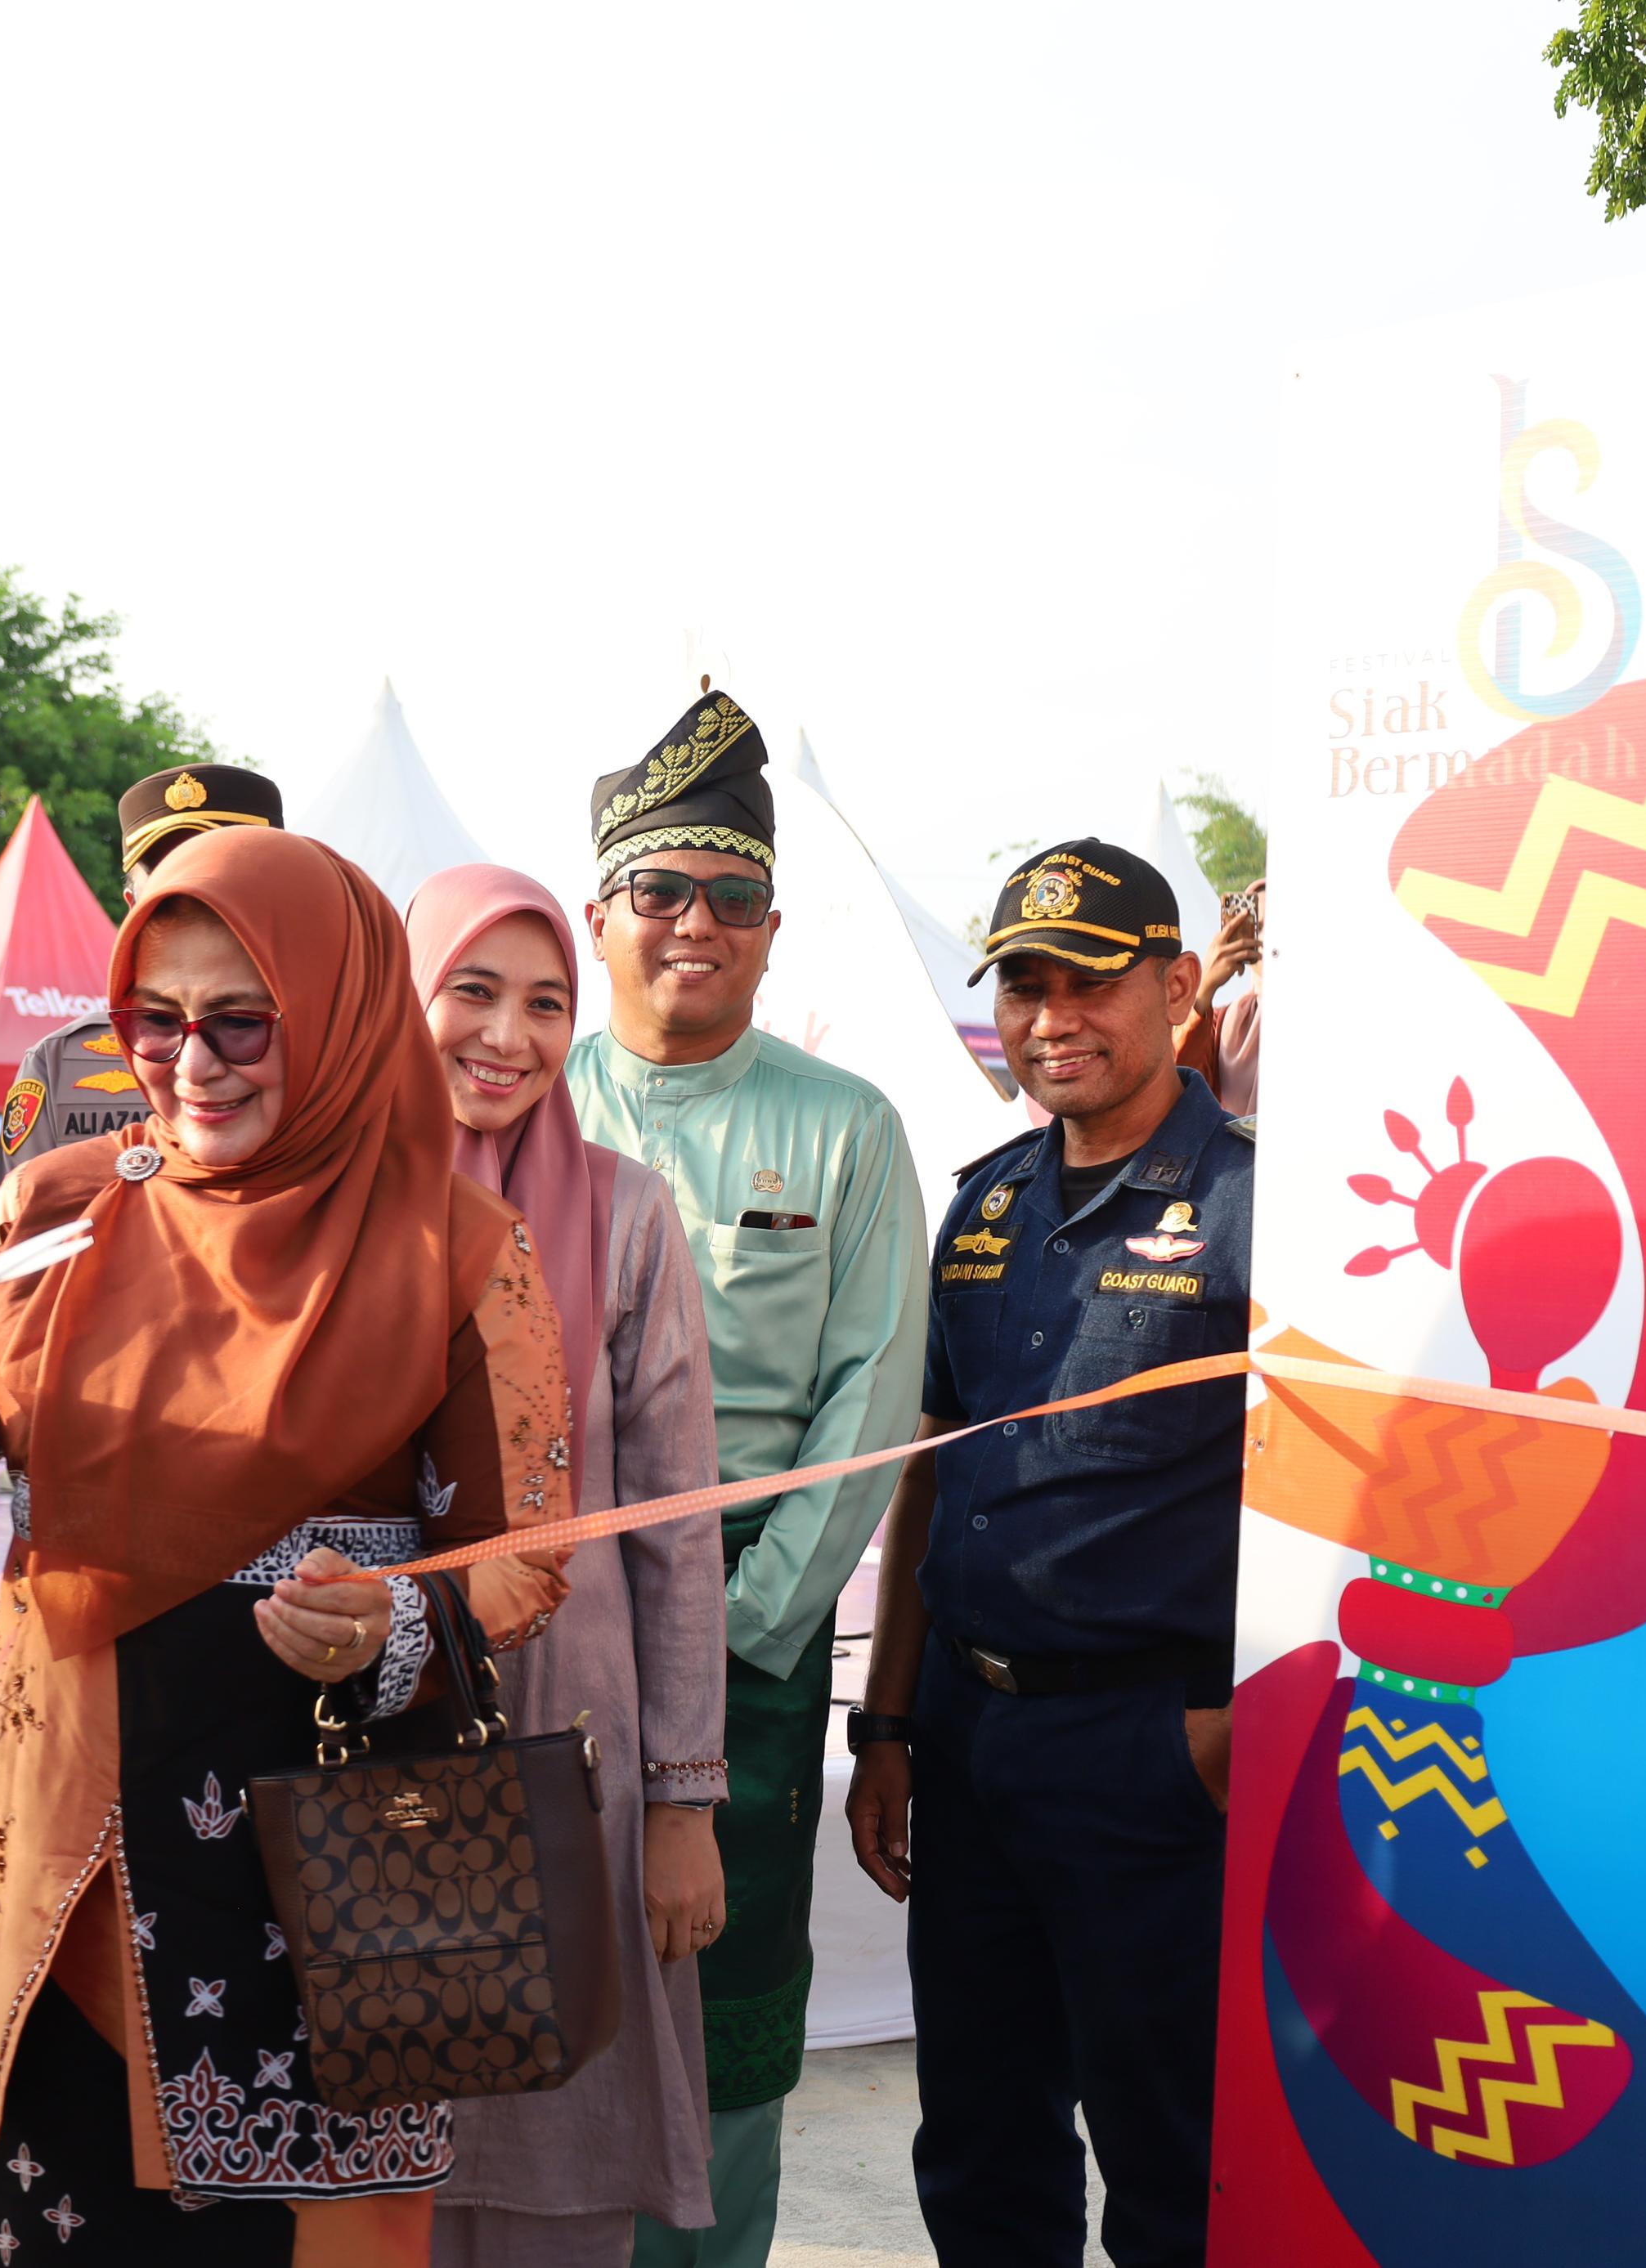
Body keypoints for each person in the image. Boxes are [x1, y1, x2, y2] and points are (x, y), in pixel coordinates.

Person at [0, 826, 573, 2268]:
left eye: (242, 1019)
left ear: (339, 1014)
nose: (194, 1062)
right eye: (157, 1022)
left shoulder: (459, 1244)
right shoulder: (64, 1212)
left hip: (323, 1881)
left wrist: (391, 1630)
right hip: (66, 1861)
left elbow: (523, 1554)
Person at [842, 839, 1249, 2268]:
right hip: (967, 1732)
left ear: (1180, 984)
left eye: (1092, 981)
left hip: (1152, 1748)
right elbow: (930, 1487)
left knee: (1171, 2153)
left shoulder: (1263, 1206)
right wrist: (888, 1719)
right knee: (980, 2135)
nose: (1052, 1015)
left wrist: (1219, 1724)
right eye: (1025, 981)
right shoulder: (988, 1201)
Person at [563, 689, 929, 2267]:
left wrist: (736, 1627)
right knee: (535, 2007)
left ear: (773, 927)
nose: (692, 923)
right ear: (600, 914)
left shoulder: (847, 1126)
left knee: (727, 2026)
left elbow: (874, 1402)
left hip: (751, 1644)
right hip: (537, 1639)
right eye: (660, 889)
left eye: (730, 896)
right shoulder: (517, 1103)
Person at [406, 867, 731, 2267]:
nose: (509, 1033)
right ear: (397, 998)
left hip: (573, 1756)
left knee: (562, 2166)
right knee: (383, 2140)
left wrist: (681, 1799)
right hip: (365, 1747)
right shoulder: (322, 1207)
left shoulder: (627, 1212)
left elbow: (677, 1524)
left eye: (547, 1002)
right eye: (471, 988)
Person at [0, 762, 282, 1177]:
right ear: (132, 909)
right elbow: (24, 1230)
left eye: (219, 883)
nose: (195, 1067)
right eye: (166, 893)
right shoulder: (60, 1063)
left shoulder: (337, 1051)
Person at [1173, 877, 1261, 1117]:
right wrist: (1205, 987)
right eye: (1254, 927)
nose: (1261, 940)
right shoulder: (1221, 1021)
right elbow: (1179, 1080)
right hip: (1231, 1153)